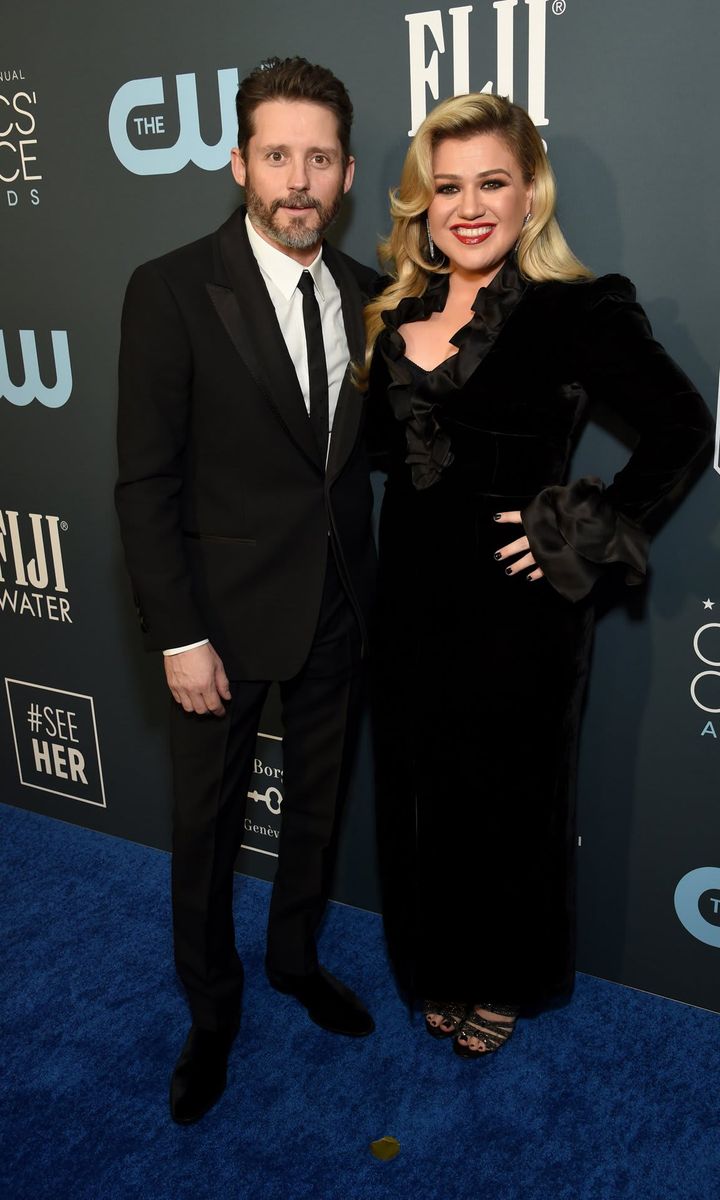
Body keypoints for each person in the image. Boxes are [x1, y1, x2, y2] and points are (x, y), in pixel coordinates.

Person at [363, 93, 713, 1059]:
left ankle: (506, 977)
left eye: (492, 183)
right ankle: (437, 958)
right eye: (447, 187)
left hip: (520, 609)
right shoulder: (397, 317)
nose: (468, 206)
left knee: (511, 801)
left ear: (530, 195)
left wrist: (588, 526)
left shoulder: (575, 311)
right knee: (421, 796)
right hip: (409, 604)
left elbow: (684, 425)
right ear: (421, 204)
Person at [115, 57, 377, 1124]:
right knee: (208, 832)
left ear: (349, 172)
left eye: (319, 157)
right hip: (217, 625)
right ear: (238, 163)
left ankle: (295, 961)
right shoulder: (171, 287)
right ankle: (211, 1014)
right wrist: (178, 635)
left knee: (313, 817)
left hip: (339, 610)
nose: (299, 180)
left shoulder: (368, 295)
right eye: (278, 155)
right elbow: (145, 483)